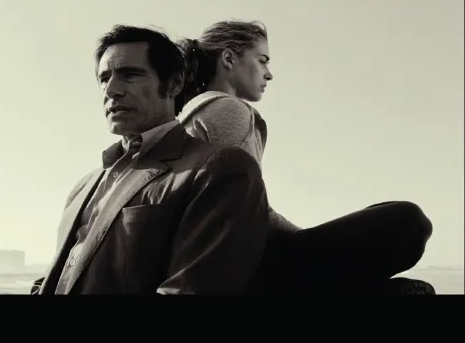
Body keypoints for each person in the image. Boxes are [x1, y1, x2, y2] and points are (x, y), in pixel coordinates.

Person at [175, 20, 435, 294]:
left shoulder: (193, 115)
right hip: (245, 270)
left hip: (222, 262)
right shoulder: (227, 109)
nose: (269, 74)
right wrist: (306, 240)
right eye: (262, 61)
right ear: (229, 59)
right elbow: (241, 212)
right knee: (408, 222)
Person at [31, 25, 271, 295]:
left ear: (174, 84)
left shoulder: (219, 168)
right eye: (104, 78)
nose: (112, 90)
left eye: (130, 75)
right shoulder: (83, 186)